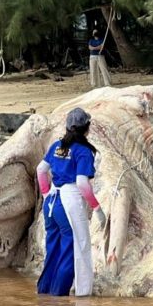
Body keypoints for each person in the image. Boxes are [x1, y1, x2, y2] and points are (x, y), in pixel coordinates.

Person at [36, 107, 107, 296]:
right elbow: (82, 183)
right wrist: (97, 209)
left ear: (68, 127)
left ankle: (44, 296)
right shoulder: (83, 151)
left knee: (53, 250)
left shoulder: (57, 145)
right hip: (69, 203)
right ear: (87, 128)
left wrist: (46, 194)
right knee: (73, 251)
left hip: (51, 203)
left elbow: (41, 171)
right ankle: (60, 299)